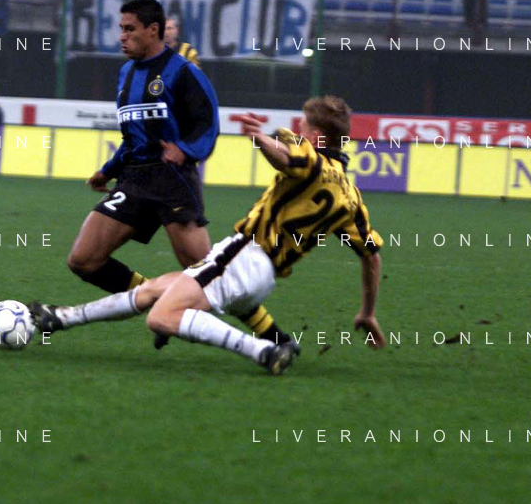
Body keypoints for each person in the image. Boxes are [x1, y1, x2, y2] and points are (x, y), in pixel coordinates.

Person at [33, 98, 385, 375]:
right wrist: (367, 313)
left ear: (317, 137)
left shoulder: (311, 159)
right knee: (155, 289)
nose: (298, 131)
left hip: (243, 256)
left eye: (303, 127)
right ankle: (62, 318)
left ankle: (263, 351)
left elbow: (288, 159)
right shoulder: (351, 198)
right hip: (263, 279)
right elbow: (371, 257)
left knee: (161, 317)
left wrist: (260, 138)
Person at [64, 0, 293, 347]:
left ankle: (275, 338)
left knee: (208, 274)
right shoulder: (126, 74)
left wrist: (184, 150)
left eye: (129, 29)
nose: (121, 36)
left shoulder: (183, 72)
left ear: (152, 30)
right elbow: (133, 135)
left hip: (173, 179)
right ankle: (157, 297)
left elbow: (207, 125)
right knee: (83, 260)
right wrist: (108, 170)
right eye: (121, 29)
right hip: (134, 179)